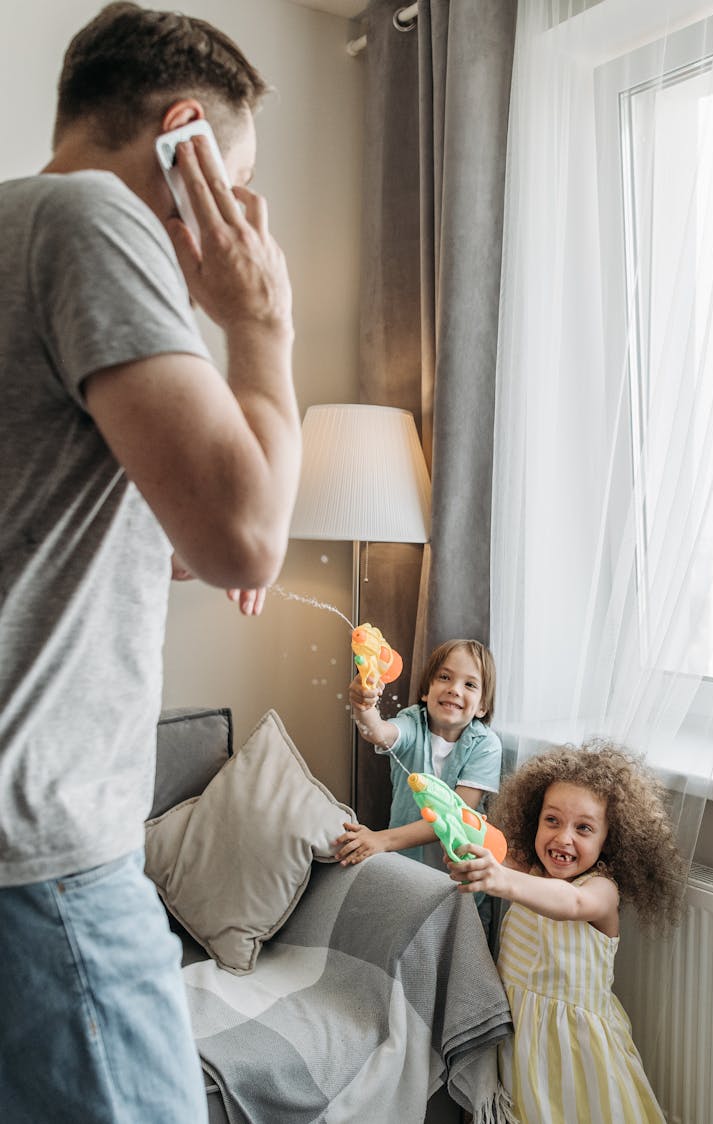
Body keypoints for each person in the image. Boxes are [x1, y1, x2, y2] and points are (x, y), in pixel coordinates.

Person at [0, 4, 301, 1121]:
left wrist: (162, 530)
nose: (241, 220)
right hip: (46, 862)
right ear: (184, 138)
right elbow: (250, 535)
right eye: (239, 178)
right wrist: (262, 321)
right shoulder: (93, 218)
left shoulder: (14, 229)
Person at [445, 740, 686, 1124]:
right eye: (552, 820)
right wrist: (467, 850)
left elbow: (568, 904)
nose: (563, 838)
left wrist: (501, 878)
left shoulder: (601, 891)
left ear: (610, 839)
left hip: (578, 1050)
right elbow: (485, 847)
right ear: (534, 820)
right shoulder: (527, 870)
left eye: (584, 828)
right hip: (519, 1038)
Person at [336, 639, 502, 867]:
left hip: (458, 873)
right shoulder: (412, 722)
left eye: (470, 685)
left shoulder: (486, 745)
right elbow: (377, 732)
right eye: (445, 677)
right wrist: (363, 706)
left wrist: (382, 839)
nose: (454, 689)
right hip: (405, 865)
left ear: (482, 706)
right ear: (426, 691)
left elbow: (454, 816)